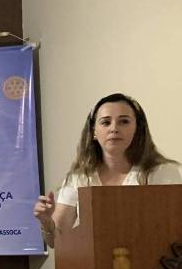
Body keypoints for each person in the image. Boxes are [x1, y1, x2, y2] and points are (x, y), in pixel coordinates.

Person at [33, 93, 180, 247]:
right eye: (106, 122)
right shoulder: (80, 177)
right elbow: (56, 242)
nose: (114, 128)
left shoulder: (163, 172)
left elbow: (175, 232)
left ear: (137, 129)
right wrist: (46, 222)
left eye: (124, 121)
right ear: (94, 132)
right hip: (94, 261)